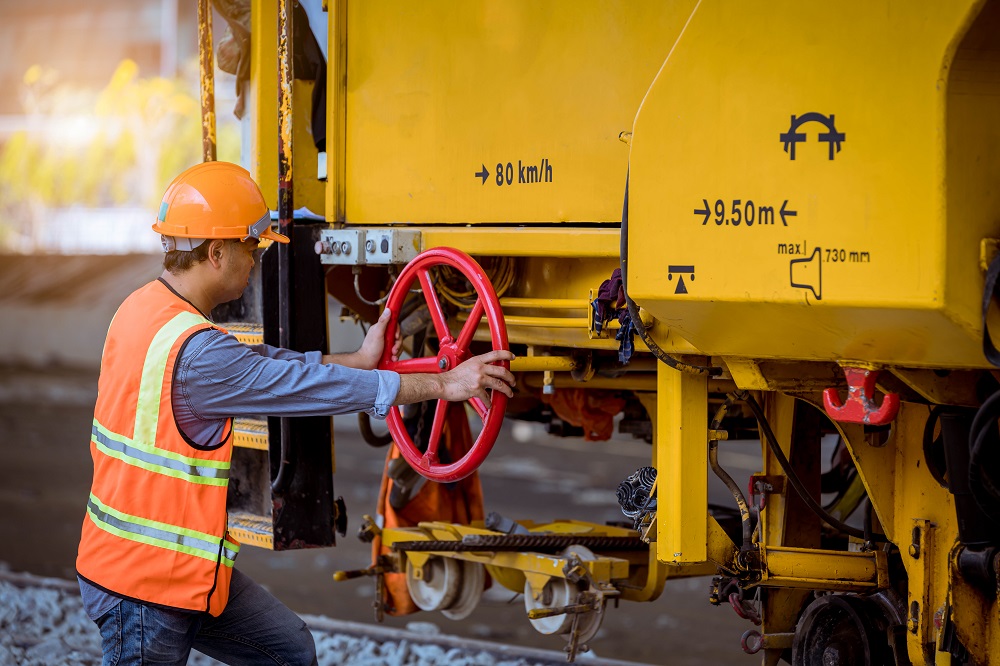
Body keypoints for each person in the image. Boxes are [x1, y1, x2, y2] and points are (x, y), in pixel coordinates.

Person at [75, 161, 515, 665]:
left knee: (289, 652)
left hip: (184, 572)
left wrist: (356, 361)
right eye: (251, 247)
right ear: (216, 253)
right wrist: (444, 382)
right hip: (144, 586)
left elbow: (262, 364)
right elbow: (306, 388)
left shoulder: (144, 310)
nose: (257, 260)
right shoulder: (199, 356)